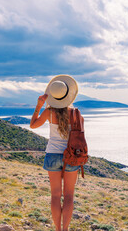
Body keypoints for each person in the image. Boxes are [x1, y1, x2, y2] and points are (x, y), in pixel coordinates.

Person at [30, 75, 82, 231]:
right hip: (71, 156)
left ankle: (57, 230)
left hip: (52, 155)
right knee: (69, 196)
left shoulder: (48, 112)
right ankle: (65, 229)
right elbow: (81, 135)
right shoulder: (75, 113)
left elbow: (32, 125)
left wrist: (39, 106)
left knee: (55, 196)